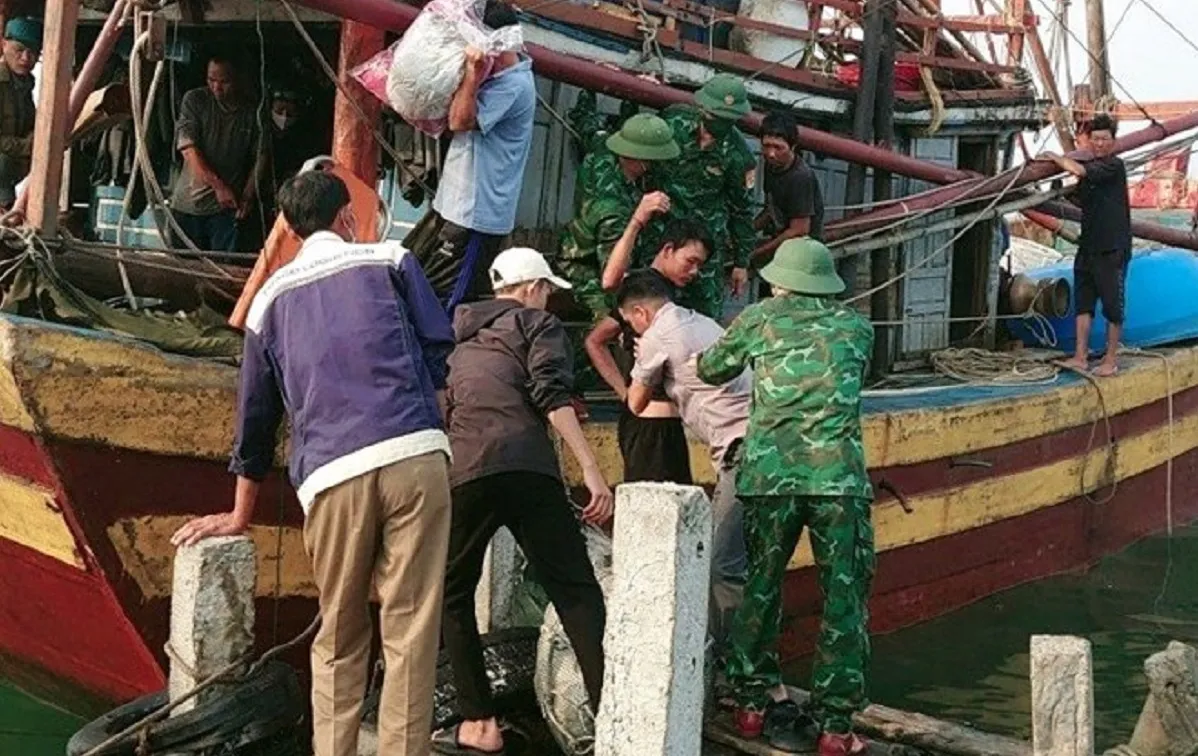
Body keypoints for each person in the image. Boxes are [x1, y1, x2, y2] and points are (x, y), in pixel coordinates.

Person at [172, 170, 455, 756]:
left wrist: (238, 513)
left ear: (292, 230)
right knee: (410, 627)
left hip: (332, 473)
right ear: (347, 217)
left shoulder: (269, 300)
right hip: (414, 455)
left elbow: (255, 417)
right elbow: (437, 343)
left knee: (339, 632)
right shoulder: (392, 259)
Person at [697, 238, 875, 756]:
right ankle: (836, 727)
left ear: (779, 281)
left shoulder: (758, 318)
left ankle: (752, 704)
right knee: (844, 598)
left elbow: (711, 369)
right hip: (837, 481)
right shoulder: (858, 328)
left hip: (769, 476)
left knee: (761, 585)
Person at [434, 247, 613, 756]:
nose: (550, 300)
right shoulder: (538, 323)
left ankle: (478, 724)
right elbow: (551, 395)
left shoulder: (456, 337)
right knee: (575, 590)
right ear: (534, 288)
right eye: (549, 291)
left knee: (450, 592)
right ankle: (611, 718)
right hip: (528, 467)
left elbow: (442, 403)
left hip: (465, 469)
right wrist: (592, 472)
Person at [615, 271, 749, 649]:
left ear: (640, 313)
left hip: (742, 451)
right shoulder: (701, 323)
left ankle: (724, 665)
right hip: (760, 445)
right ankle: (752, 657)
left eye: (631, 324)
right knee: (749, 559)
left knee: (722, 564)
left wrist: (646, 364)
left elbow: (636, 403)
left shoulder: (659, 335)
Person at [584, 218, 712, 485]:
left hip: (666, 423)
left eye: (700, 265)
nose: (694, 271)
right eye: (690, 261)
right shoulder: (645, 288)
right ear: (667, 250)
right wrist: (625, 392)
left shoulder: (670, 293)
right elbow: (596, 338)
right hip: (649, 425)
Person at [425, 0, 535, 306]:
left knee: (449, 300)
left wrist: (472, 74)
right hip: (454, 206)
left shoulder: (512, 85)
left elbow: (459, 122)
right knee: (426, 285)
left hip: (475, 216)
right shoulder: (499, 77)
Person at [227, 156, 383, 329]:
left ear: (290, 231)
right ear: (346, 216)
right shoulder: (391, 263)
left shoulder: (271, 291)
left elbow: (256, 347)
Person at [651, 73, 757, 319]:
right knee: (651, 302)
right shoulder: (673, 122)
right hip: (661, 232)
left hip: (705, 243)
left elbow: (742, 210)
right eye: (714, 115)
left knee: (704, 314)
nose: (718, 122)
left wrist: (742, 263)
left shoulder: (739, 156)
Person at [1037, 114, 1131, 377]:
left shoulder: (1114, 166)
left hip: (1111, 248)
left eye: (1105, 139)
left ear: (1113, 141)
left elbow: (1079, 170)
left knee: (1113, 306)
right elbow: (1077, 199)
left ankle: (1110, 360)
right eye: (1096, 139)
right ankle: (1080, 356)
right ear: (1089, 141)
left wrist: (1055, 158)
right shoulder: (1091, 176)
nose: (1100, 144)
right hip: (1088, 247)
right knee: (1084, 303)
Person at [170, 55, 266, 252]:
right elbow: (188, 148)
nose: (217, 88)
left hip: (227, 211)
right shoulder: (195, 100)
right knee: (181, 271)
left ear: (238, 80)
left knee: (222, 271)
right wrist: (218, 186)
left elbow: (261, 156)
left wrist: (248, 196)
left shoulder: (252, 111)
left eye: (224, 82)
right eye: (211, 80)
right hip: (188, 206)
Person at [754, 110, 824, 264]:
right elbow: (771, 209)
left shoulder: (800, 177)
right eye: (766, 146)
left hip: (801, 253)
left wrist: (758, 252)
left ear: (792, 147)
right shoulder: (771, 165)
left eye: (778, 148)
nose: (771, 153)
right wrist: (747, 232)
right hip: (780, 240)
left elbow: (799, 230)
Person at [0, 17, 40, 210]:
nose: (26, 58)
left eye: (32, 52)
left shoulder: (25, 86)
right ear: (4, 44)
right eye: (19, 50)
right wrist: (28, 146)